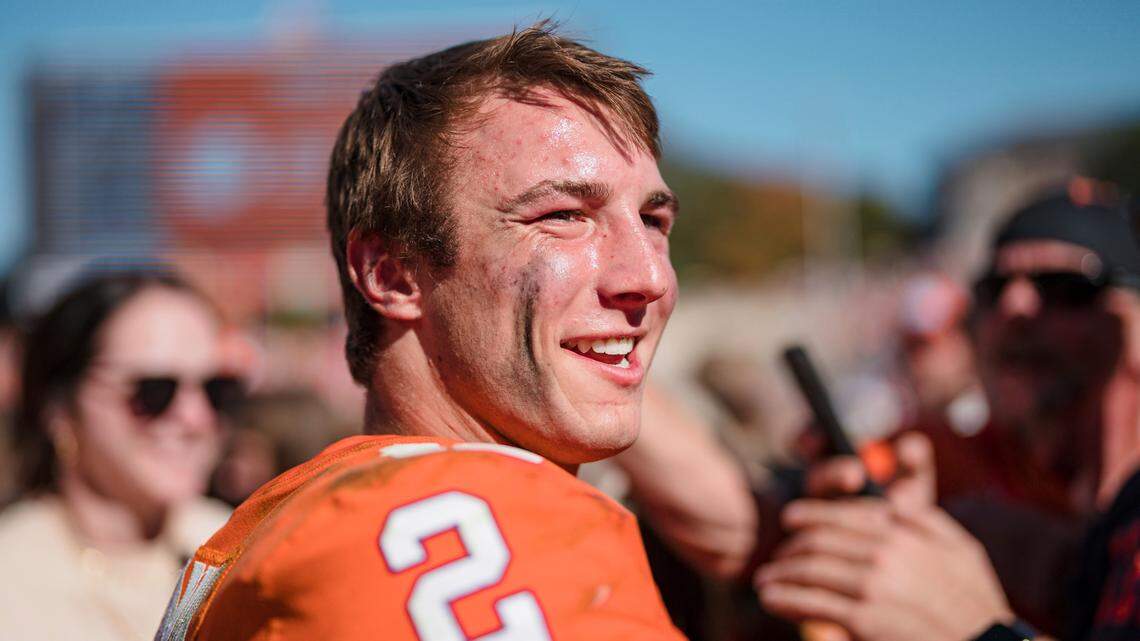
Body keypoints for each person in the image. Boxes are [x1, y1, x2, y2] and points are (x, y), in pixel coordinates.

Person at [156, 23, 689, 641]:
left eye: (653, 219)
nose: (650, 276)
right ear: (391, 274)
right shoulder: (456, 526)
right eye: (564, 216)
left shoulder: (312, 515)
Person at [756, 188, 1140, 641]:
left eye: (1064, 289)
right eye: (993, 290)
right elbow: (745, 517)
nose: (1014, 307)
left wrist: (973, 629)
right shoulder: (939, 458)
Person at [0, 270, 238, 640]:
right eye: (153, 392)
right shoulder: (11, 577)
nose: (196, 419)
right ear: (60, 409)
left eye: (216, 390)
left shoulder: (240, 547)